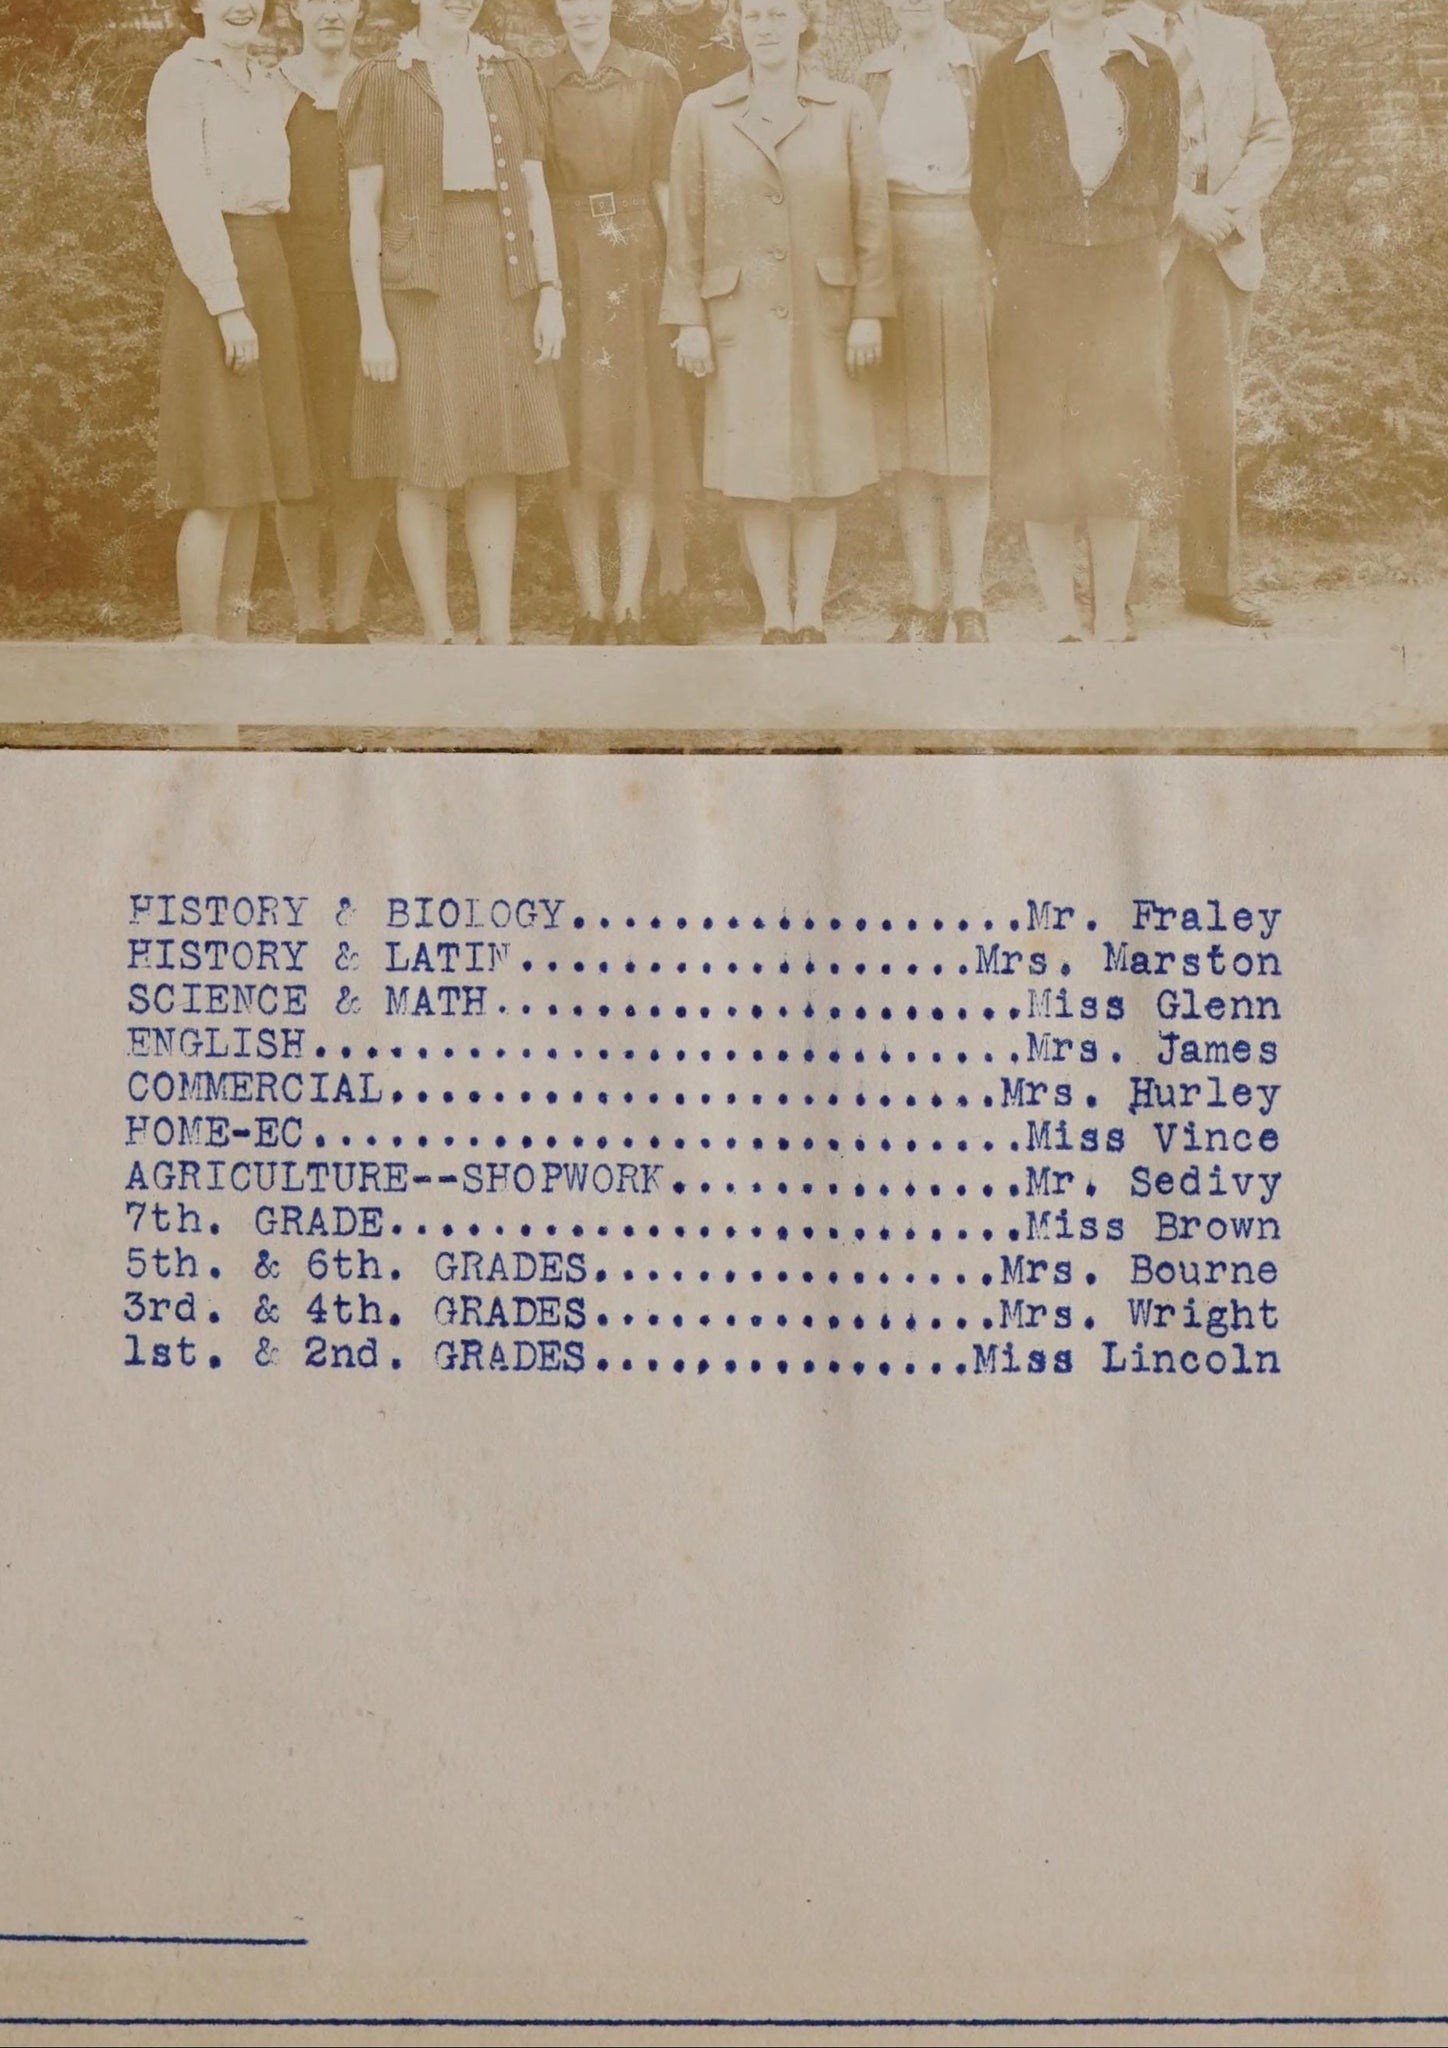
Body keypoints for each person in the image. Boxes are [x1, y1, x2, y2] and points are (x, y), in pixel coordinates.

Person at [660, 0, 893, 645]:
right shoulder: (702, 111)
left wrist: (869, 313)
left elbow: (873, 220)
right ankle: (775, 616)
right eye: (753, 15)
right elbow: (684, 226)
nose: (765, 28)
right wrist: (689, 321)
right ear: (738, 25)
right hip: (740, 318)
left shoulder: (847, 107)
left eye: (778, 14)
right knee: (755, 473)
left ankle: (810, 614)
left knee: (820, 472)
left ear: (803, 22)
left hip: (826, 315)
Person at [340, 0, 568, 646]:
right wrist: (372, 322)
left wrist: (550, 291)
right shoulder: (380, 78)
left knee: (496, 454)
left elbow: (535, 193)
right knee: (422, 457)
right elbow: (364, 212)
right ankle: (438, 632)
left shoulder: (511, 72)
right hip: (417, 286)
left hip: (500, 273)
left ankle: (497, 633)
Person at [971, 0, 1178, 644]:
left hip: (1124, 268)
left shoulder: (1150, 66)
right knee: (1039, 437)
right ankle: (1060, 613)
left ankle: (1111, 609)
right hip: (1035, 266)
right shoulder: (1010, 67)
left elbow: (1164, 180)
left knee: (1123, 436)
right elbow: (987, 184)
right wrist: (1029, 248)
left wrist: (1122, 235)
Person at [1118, 0, 1292, 629]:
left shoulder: (1242, 38)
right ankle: (1120, 591)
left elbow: (1273, 135)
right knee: (1128, 415)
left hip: (1222, 253)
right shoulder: (1111, 38)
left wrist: (1225, 208)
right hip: (1140, 251)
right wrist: (1182, 206)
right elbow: (1106, 147)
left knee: (1213, 418)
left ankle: (1213, 583)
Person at [147, 0, 316, 642]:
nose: (241, 6)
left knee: (251, 485)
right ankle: (199, 657)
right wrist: (227, 304)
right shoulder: (181, 77)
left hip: (269, 265)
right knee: (216, 482)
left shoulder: (265, 80)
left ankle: (234, 654)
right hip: (215, 277)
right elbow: (183, 194)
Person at [535, 0, 698, 645]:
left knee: (636, 432)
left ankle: (629, 602)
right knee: (577, 431)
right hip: (565, 258)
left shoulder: (652, 74)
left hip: (637, 258)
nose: (582, 10)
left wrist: (683, 289)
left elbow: (667, 188)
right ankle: (590, 603)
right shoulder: (535, 78)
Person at [857, 0, 999, 645]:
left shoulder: (984, 61)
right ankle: (923, 600)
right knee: (907, 435)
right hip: (893, 252)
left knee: (967, 429)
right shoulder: (873, 74)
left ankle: (969, 600)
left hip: (969, 247)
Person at [276, 0, 387, 644]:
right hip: (287, 287)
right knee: (298, 449)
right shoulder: (270, 88)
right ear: (295, 9)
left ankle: (349, 614)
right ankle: (307, 617)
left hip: (365, 291)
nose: (332, 13)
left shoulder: (380, 83)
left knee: (358, 449)